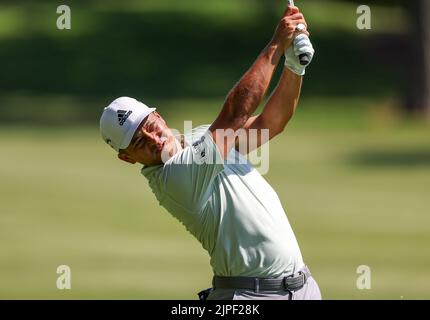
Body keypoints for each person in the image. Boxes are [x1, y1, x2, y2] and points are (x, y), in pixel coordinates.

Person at [99, 5, 320, 300]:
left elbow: (271, 123)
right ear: (127, 158)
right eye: (139, 141)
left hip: (303, 288)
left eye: (151, 124)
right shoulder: (174, 179)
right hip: (250, 297)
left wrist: (294, 67)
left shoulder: (198, 136)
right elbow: (235, 112)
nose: (153, 138)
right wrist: (276, 45)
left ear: (160, 116)